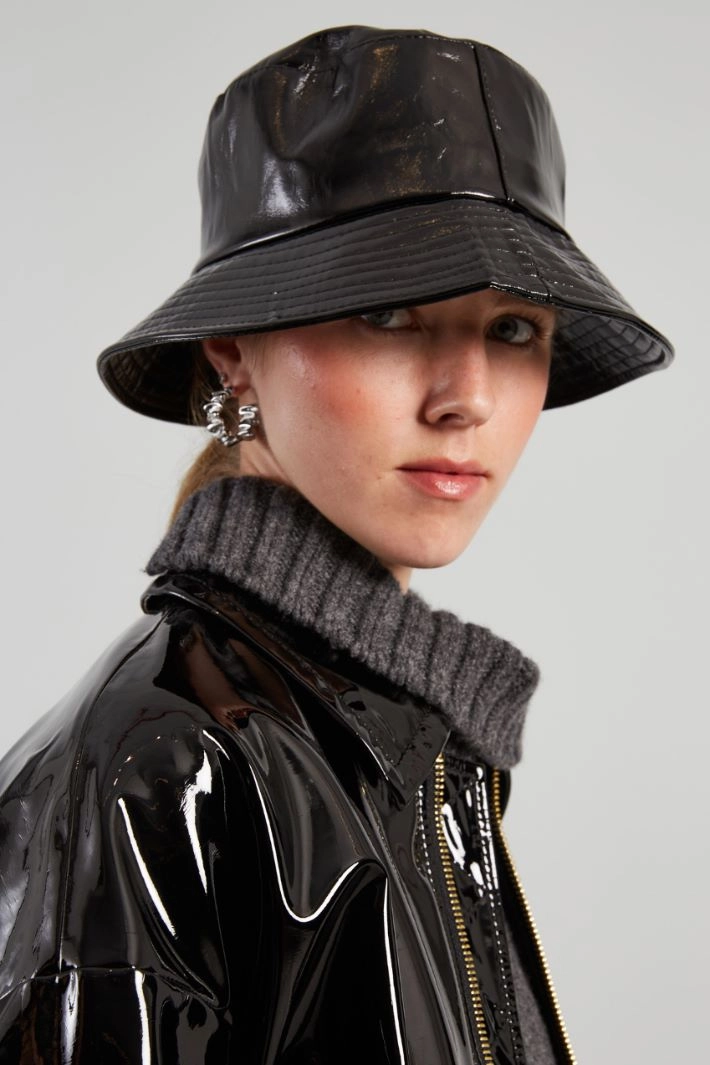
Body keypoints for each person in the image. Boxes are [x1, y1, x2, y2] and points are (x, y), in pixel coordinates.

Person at [0, 24, 672, 1065]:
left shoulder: (405, 733)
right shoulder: (157, 766)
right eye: (391, 314)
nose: (467, 398)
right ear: (233, 351)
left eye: (512, 329)